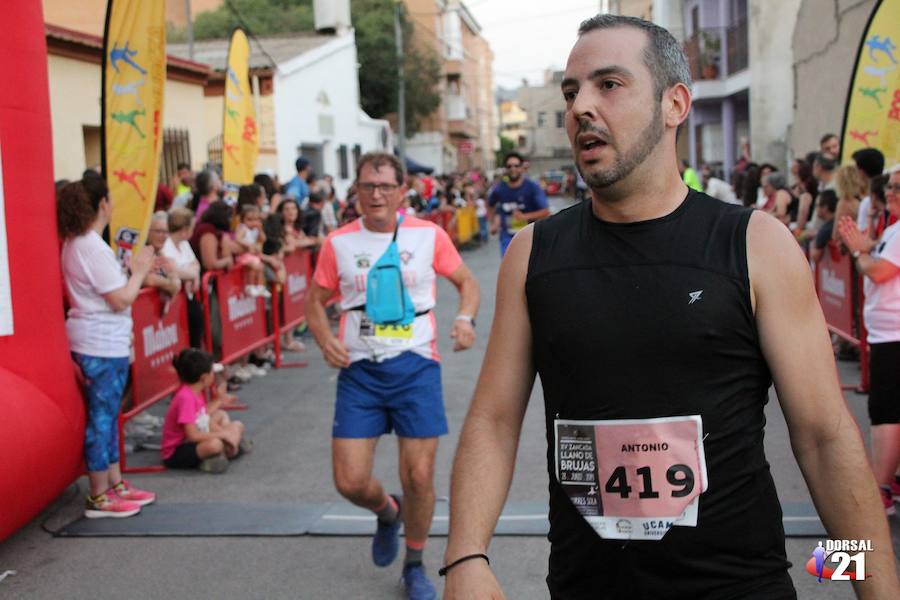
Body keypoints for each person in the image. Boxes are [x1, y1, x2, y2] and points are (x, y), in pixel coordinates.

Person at [444, 15, 900, 600]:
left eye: (608, 85)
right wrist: (465, 558)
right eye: (570, 91)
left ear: (674, 104)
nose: (581, 105)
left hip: (742, 587)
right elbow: (494, 421)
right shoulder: (534, 255)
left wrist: (871, 589)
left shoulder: (754, 244)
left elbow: (824, 441)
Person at [306, 152, 480, 600]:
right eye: (368, 186)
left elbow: (468, 282)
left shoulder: (428, 235)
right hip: (359, 371)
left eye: (385, 186)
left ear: (402, 191)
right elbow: (314, 300)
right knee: (349, 482)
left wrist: (465, 319)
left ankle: (416, 565)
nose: (376, 194)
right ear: (357, 191)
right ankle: (387, 513)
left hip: (417, 364)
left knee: (420, 476)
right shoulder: (339, 243)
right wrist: (325, 338)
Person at [57, 174, 157, 518]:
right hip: (99, 343)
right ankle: (100, 495)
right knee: (102, 417)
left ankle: (114, 484)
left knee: (109, 416)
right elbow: (119, 299)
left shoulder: (81, 243)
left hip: (101, 340)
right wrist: (140, 271)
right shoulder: (89, 245)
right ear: (103, 203)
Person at [838, 167, 900, 514]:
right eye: (889, 187)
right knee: (889, 411)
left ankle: (881, 489)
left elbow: (878, 270)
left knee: (885, 413)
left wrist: (862, 254)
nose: (890, 193)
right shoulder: (893, 228)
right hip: (887, 334)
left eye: (898, 188)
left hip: (894, 335)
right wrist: (865, 247)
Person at [161, 348, 249, 474]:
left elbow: (202, 416)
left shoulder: (195, 390)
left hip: (193, 438)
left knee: (233, 422)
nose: (214, 375)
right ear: (204, 377)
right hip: (176, 451)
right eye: (212, 372)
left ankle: (229, 447)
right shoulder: (185, 398)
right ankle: (227, 449)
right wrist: (223, 434)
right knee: (215, 444)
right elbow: (193, 436)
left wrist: (219, 400)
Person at [488, 152, 550, 257]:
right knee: (509, 269)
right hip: (507, 236)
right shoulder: (500, 188)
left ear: (521, 168)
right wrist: (493, 222)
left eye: (516, 166)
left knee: (528, 269)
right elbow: (490, 204)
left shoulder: (532, 187)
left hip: (530, 235)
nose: (513, 169)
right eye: (509, 166)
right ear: (505, 169)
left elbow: (545, 212)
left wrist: (524, 217)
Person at [161, 207, 203, 347]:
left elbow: (196, 264)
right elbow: (172, 270)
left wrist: (193, 275)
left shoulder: (184, 244)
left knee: (197, 324)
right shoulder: (165, 245)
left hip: (188, 297)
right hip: (174, 300)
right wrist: (193, 275)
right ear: (184, 229)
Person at [852, 148, 886, 232]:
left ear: (861, 172)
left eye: (855, 169)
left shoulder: (867, 202)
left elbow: (861, 234)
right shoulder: (887, 195)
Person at [809, 189, 838, 264]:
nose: (816, 209)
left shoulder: (825, 230)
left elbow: (814, 256)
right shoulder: (837, 221)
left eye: (817, 205)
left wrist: (814, 239)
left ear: (825, 207)